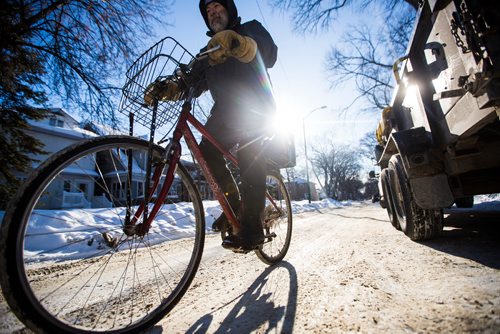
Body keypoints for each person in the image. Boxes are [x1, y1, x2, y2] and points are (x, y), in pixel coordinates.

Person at [146, 0, 278, 251]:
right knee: (206, 152)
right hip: (225, 116)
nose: (213, 13)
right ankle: (235, 204)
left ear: (229, 10)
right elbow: (190, 81)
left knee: (250, 154)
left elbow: (269, 54)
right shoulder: (207, 53)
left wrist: (242, 45)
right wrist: (168, 89)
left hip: (256, 109)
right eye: (208, 11)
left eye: (218, 7)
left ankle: (252, 228)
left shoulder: (250, 29)